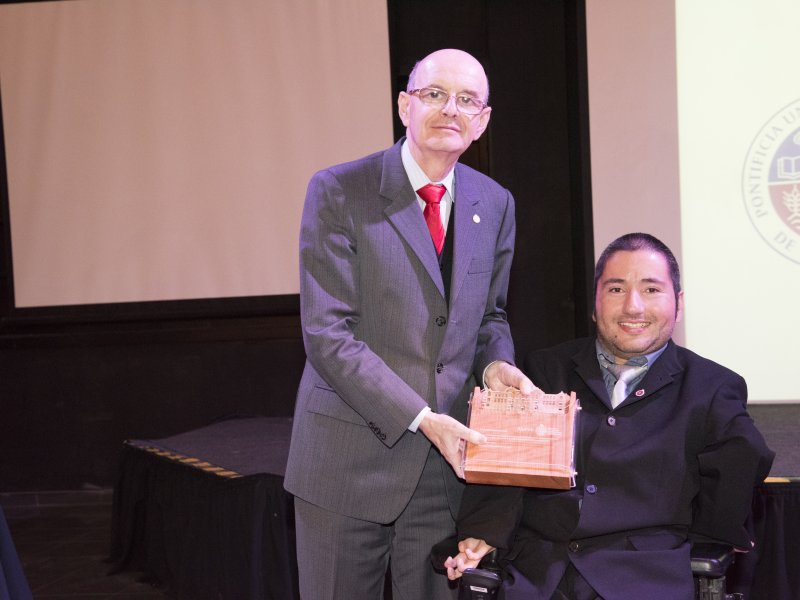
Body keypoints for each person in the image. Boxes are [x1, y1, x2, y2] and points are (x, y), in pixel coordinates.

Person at [284, 48, 535, 600]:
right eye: (434, 94)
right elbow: (328, 334)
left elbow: (490, 315)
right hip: (346, 463)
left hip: (442, 474)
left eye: (467, 100)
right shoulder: (339, 191)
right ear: (404, 106)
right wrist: (421, 418)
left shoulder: (494, 203)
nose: (450, 109)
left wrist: (496, 365)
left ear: (482, 121)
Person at [445, 232, 775, 600]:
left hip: (645, 581)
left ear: (678, 304)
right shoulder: (545, 370)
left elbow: (739, 470)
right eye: (616, 289)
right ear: (595, 303)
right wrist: (483, 534)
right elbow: (507, 468)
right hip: (538, 576)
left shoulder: (711, 387)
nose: (633, 307)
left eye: (651, 290)